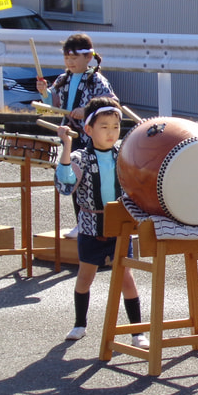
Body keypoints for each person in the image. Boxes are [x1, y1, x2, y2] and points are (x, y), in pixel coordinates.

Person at [54, 96, 148, 348]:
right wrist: (65, 146)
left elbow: (145, 170)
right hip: (90, 225)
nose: (111, 132)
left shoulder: (124, 155)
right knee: (85, 277)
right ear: (88, 129)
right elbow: (65, 186)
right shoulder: (79, 158)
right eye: (104, 127)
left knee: (126, 277)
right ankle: (80, 324)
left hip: (120, 226)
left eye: (115, 127)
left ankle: (137, 331)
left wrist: (149, 133)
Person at [37, 33, 117, 238]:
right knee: (75, 181)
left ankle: (105, 222)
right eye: (66, 58)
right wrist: (44, 93)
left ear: (88, 58)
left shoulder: (96, 80)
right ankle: (81, 223)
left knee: (97, 182)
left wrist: (86, 110)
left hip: (91, 138)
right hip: (70, 136)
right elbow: (52, 105)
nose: (70, 62)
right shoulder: (63, 79)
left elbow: (111, 105)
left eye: (74, 58)